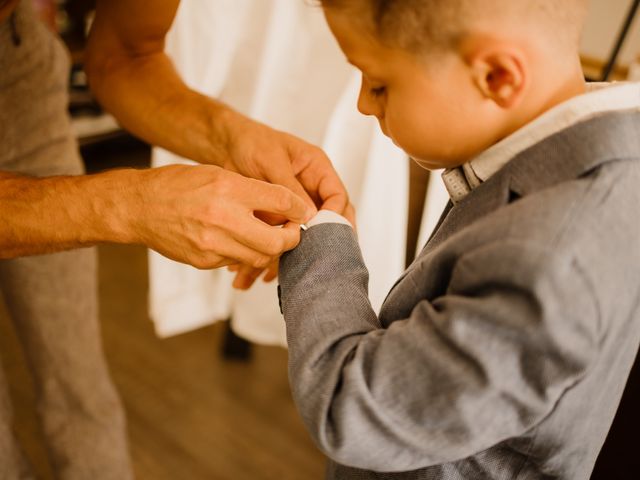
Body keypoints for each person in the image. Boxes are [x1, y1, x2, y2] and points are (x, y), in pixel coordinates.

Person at [277, 0, 640, 478]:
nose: (364, 105)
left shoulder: (549, 258)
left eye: (379, 83)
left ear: (496, 77)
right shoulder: (598, 161)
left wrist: (320, 244)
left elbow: (350, 407)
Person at [0, 0, 349, 478]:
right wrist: (127, 205)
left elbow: (126, 53)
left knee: (77, 371)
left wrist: (234, 138)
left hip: (15, 63)